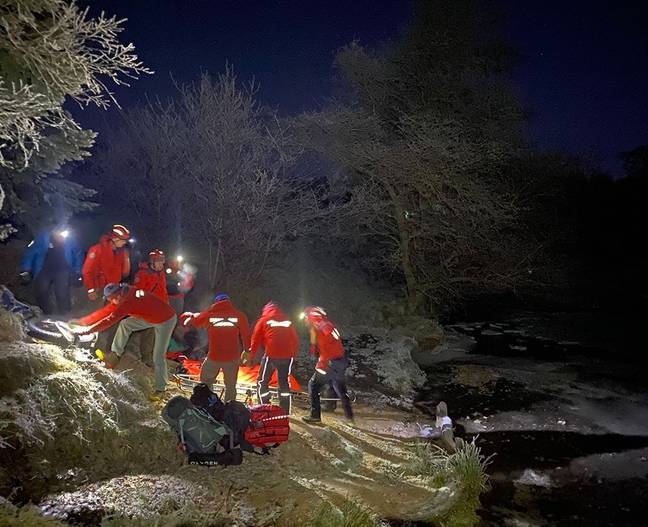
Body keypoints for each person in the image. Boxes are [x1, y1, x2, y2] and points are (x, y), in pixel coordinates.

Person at [71, 283, 177, 399]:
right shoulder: (123, 294)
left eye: (113, 298)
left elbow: (110, 319)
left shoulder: (127, 301)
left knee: (158, 356)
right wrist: (84, 323)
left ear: (118, 294)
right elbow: (105, 312)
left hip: (165, 319)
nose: (112, 301)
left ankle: (161, 389)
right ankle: (115, 355)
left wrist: (88, 331)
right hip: (151, 316)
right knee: (125, 324)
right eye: (110, 299)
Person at [180, 293, 250, 402]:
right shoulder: (239, 315)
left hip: (214, 356)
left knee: (206, 381)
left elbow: (194, 321)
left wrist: (190, 316)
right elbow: (246, 335)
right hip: (232, 358)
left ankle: (208, 403)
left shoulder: (209, 315)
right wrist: (247, 351)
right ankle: (229, 408)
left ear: (216, 303)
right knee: (231, 386)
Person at [300, 306, 354, 424]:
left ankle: (315, 416)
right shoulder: (326, 324)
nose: (304, 321)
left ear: (311, 317)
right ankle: (349, 417)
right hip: (340, 361)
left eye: (305, 318)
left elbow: (326, 347)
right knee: (338, 387)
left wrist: (322, 364)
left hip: (330, 362)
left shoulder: (321, 328)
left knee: (313, 385)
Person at [244, 301, 299, 415]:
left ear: (265, 311)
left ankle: (264, 407)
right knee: (283, 382)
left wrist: (251, 355)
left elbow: (255, 339)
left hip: (271, 356)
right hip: (287, 357)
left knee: (262, 382)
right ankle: (284, 411)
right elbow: (295, 339)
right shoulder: (287, 321)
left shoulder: (264, 320)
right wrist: (293, 355)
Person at [19, 226, 83, 315]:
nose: (60, 236)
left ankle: (66, 314)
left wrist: (78, 271)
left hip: (62, 268)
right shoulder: (43, 237)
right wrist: (25, 269)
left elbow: (78, 253)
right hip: (44, 268)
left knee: (62, 292)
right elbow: (31, 252)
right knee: (41, 290)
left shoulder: (69, 239)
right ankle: (45, 313)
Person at [82, 224, 131, 302]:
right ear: (114, 239)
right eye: (123, 240)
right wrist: (90, 289)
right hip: (99, 289)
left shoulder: (121, 252)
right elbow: (87, 271)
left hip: (114, 289)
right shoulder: (97, 250)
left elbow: (123, 271)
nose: (125, 243)